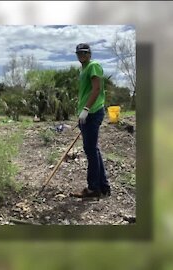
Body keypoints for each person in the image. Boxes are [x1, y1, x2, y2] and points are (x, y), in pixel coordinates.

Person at [70, 43, 111, 199]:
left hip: (93, 112)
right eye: (78, 53)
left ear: (89, 54)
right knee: (93, 150)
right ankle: (103, 187)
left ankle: (93, 188)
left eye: (84, 53)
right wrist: (81, 113)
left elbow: (96, 89)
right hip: (87, 114)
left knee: (90, 150)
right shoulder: (83, 69)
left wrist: (86, 110)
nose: (81, 55)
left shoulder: (93, 66)